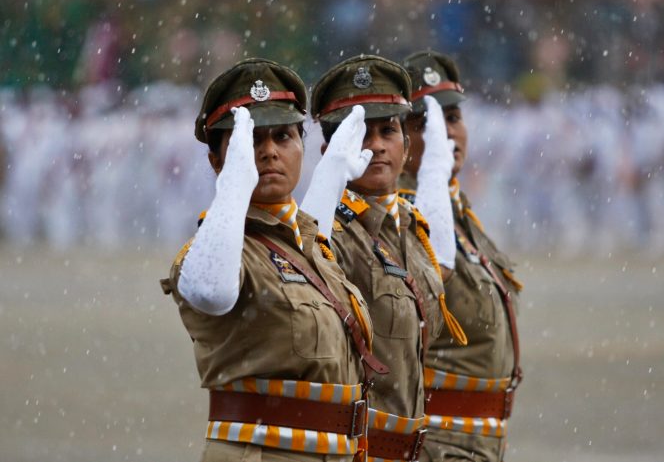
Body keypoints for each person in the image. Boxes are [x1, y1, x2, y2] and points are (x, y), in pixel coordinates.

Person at [159, 58, 388, 462]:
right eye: (252, 143)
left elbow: (304, 243)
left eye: (283, 137)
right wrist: (234, 183)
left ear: (301, 145)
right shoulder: (218, 252)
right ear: (217, 161)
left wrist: (332, 175)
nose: (268, 153)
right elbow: (212, 290)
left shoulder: (308, 244)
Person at [301, 54, 467, 462]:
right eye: (360, 133)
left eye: (388, 130)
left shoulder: (411, 227)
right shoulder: (330, 235)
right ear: (331, 149)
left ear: (406, 144)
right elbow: (306, 276)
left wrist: (434, 179)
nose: (375, 145)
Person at [399, 50, 523, 462]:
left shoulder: (455, 209)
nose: (446, 135)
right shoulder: (398, 216)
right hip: (436, 445)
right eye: (426, 125)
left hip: (476, 445)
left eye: (452, 119)